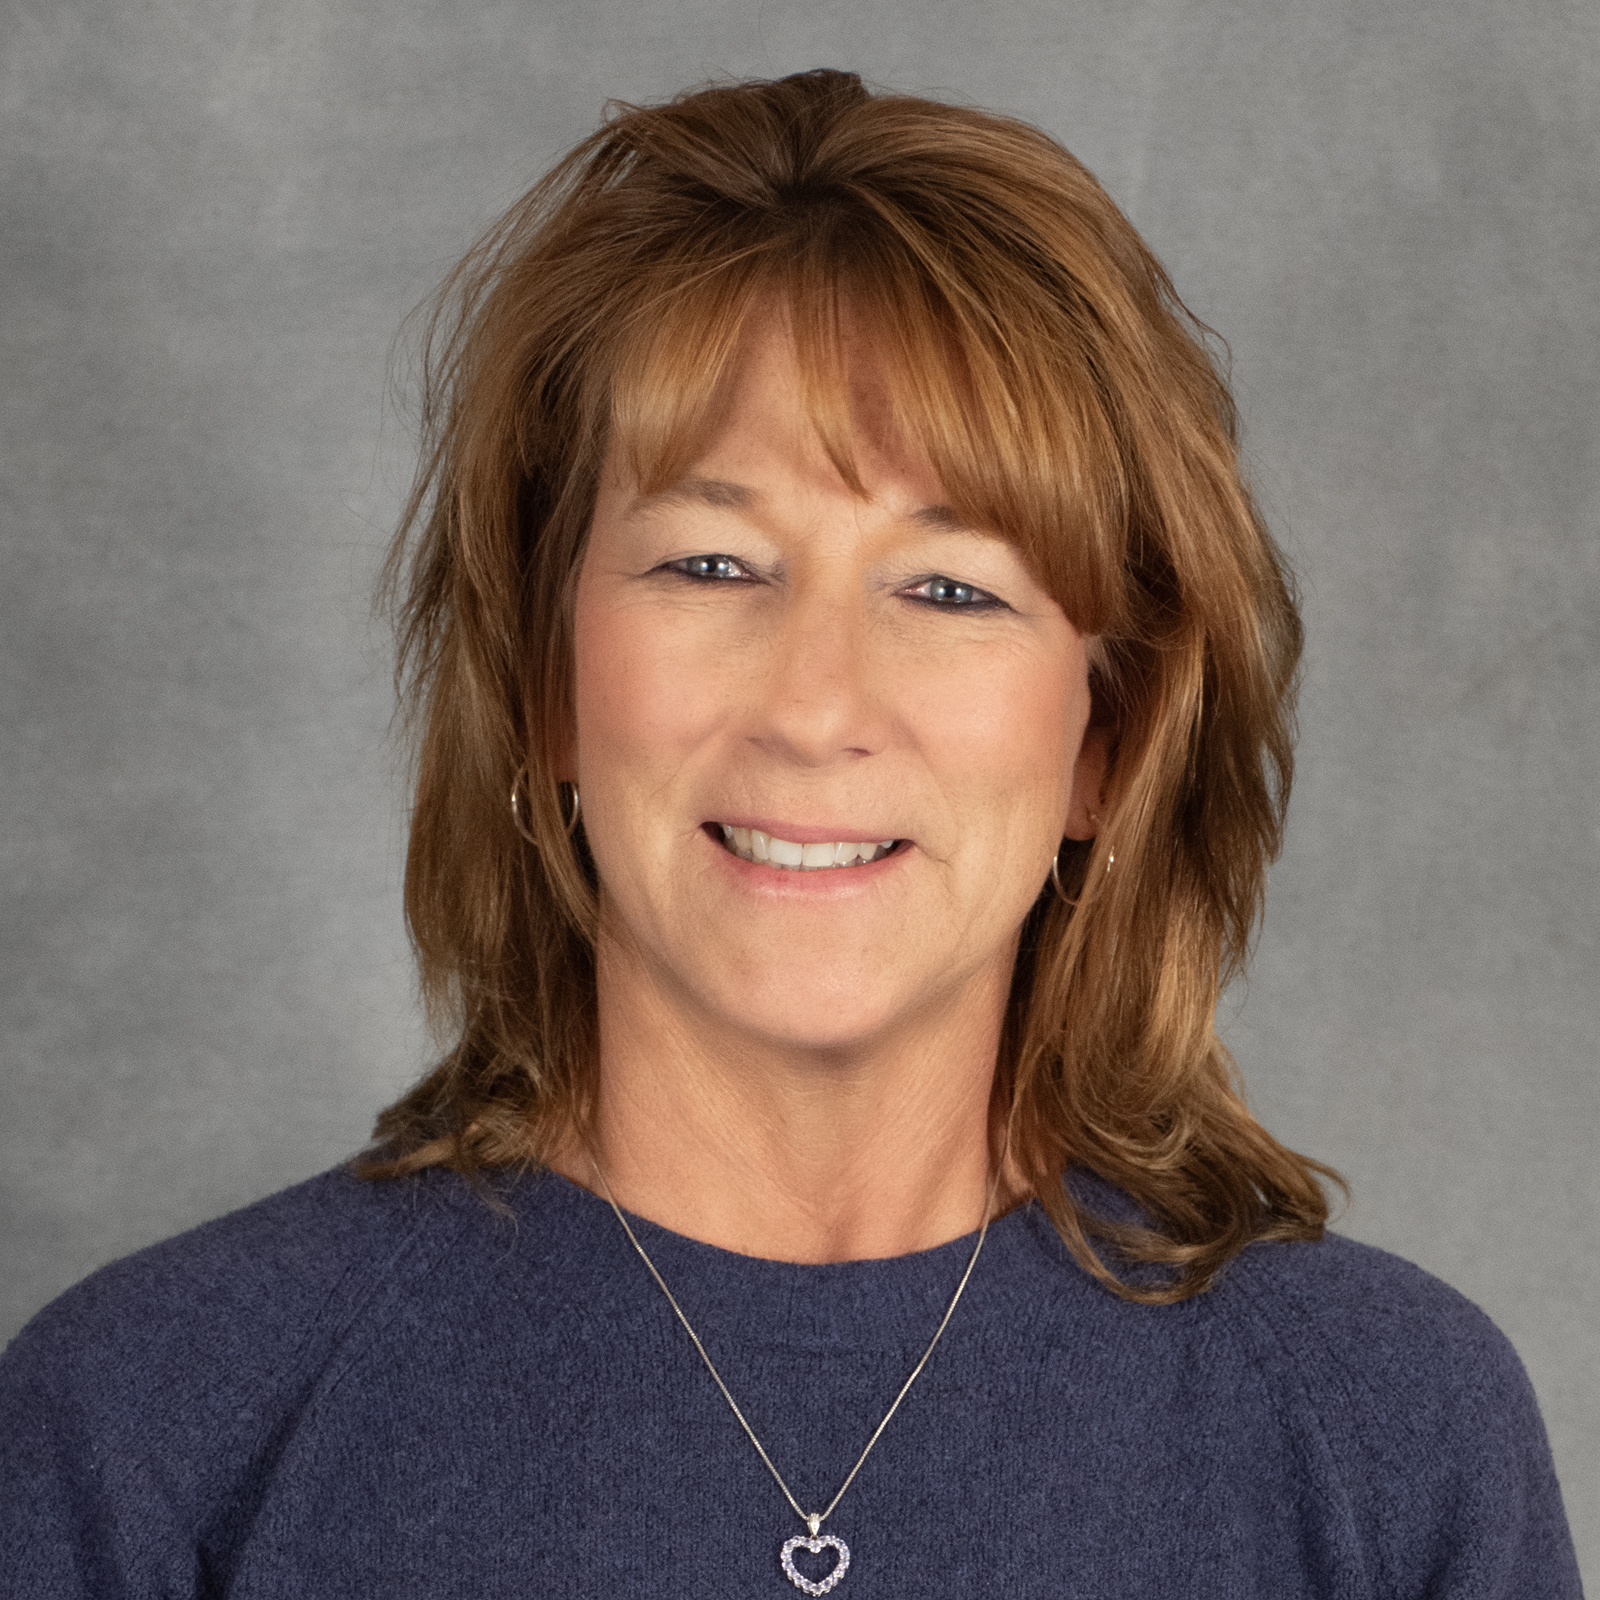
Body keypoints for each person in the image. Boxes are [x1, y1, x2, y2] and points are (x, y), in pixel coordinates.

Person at [0, 69, 1580, 1599]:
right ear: (544, 685)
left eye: (952, 588)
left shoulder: (1388, 1439)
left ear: (1108, 739)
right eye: (709, 566)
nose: (817, 707)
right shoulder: (151, 1429)